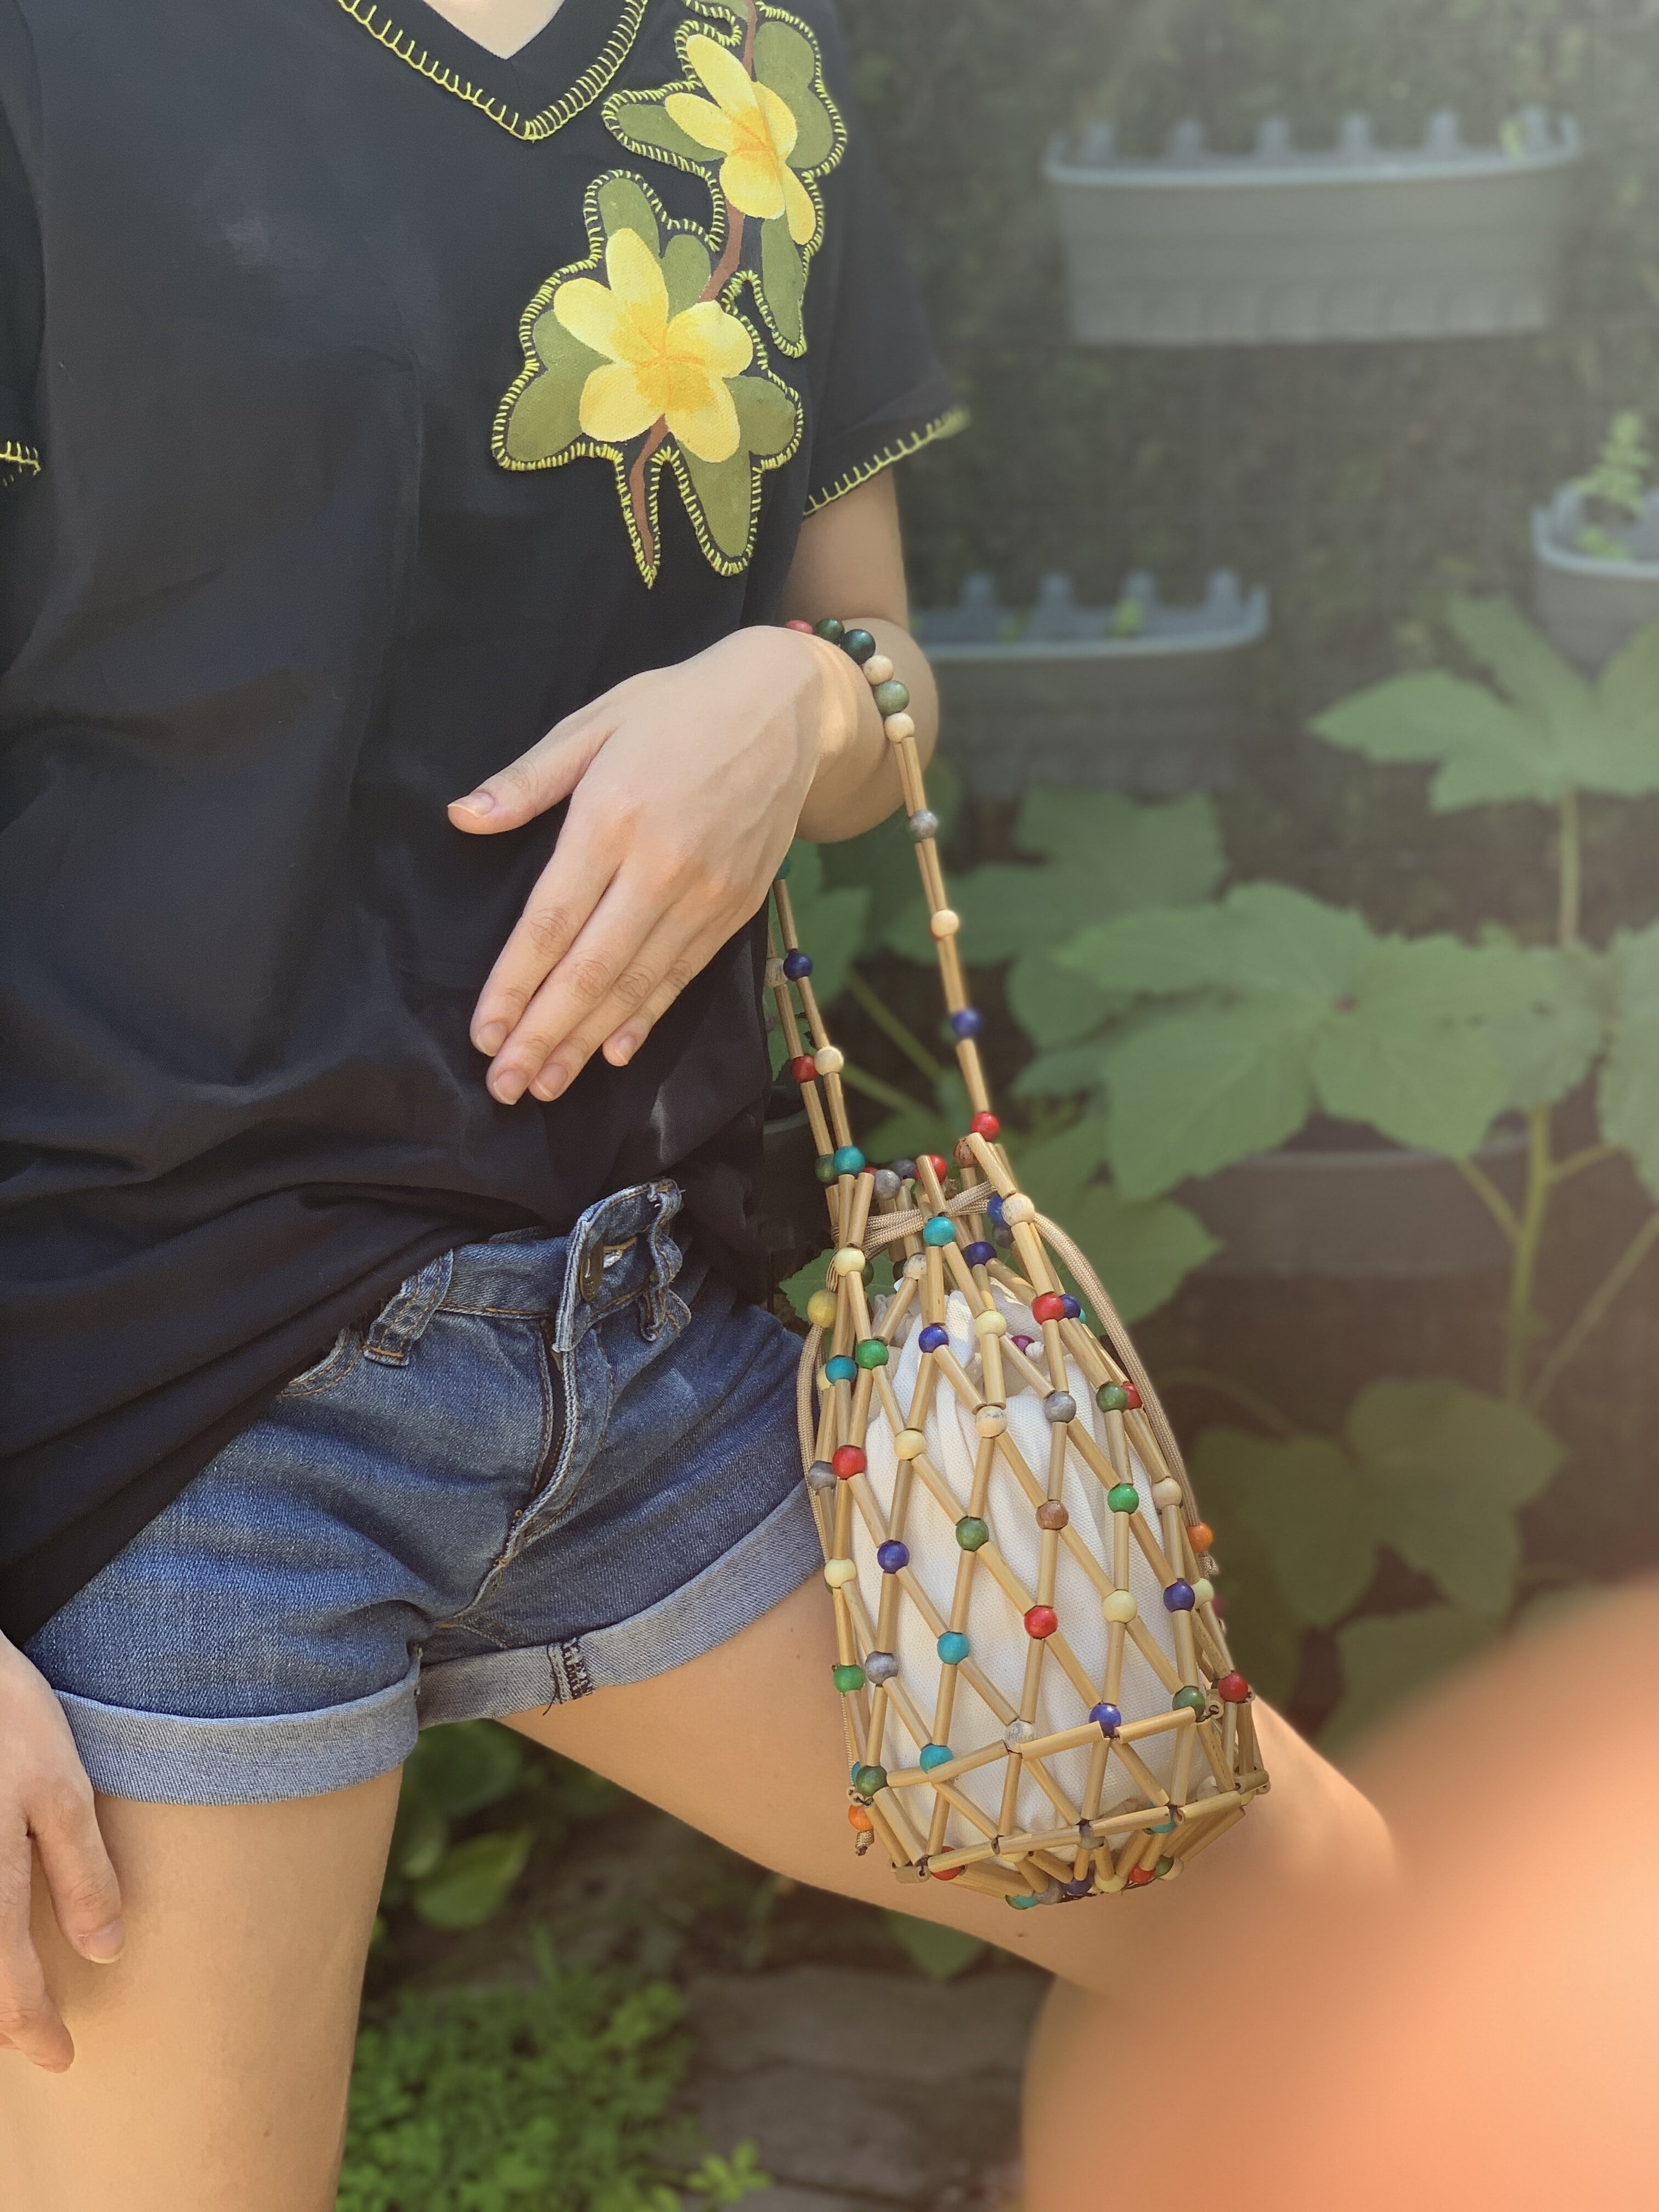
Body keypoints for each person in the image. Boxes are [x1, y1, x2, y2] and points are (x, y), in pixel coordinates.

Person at [0, 2, 1387, 2205]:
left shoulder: (757, 69)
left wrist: (783, 699)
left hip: (664, 1347)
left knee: (1346, 1937)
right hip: (163, 1410)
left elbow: (887, 675)